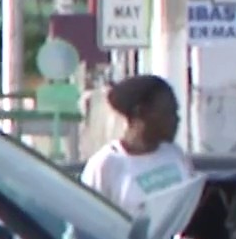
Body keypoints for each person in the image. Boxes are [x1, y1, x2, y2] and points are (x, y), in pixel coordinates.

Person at [80, 75, 192, 214]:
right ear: (141, 112)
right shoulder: (105, 165)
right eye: (168, 112)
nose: (176, 119)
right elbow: (87, 223)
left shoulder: (175, 154)